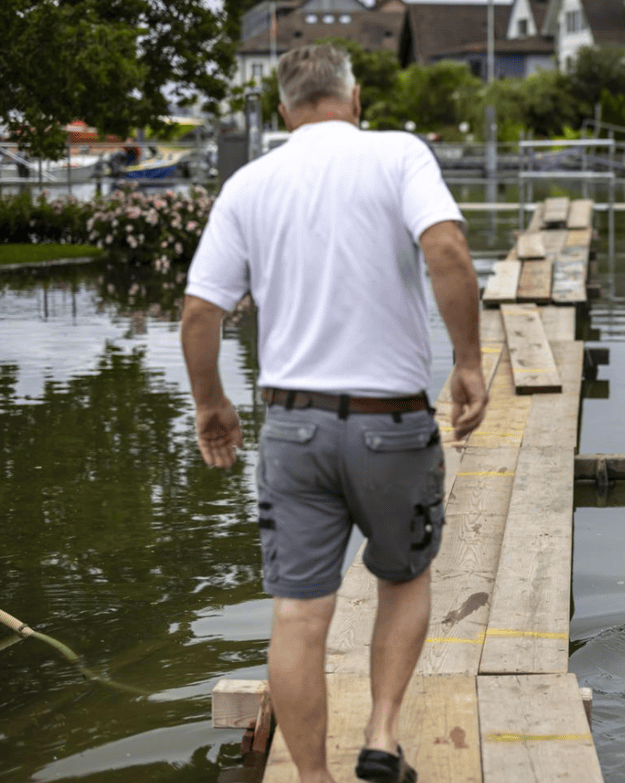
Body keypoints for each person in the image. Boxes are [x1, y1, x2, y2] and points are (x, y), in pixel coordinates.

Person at [180, 44, 488, 783]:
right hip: (393, 424)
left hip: (293, 429)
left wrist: (211, 403)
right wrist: (469, 361)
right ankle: (382, 736)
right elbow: (446, 248)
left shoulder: (249, 183)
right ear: (355, 99)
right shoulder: (398, 154)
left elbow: (198, 312)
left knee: (298, 614)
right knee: (405, 579)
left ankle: (312, 778)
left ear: (283, 112)